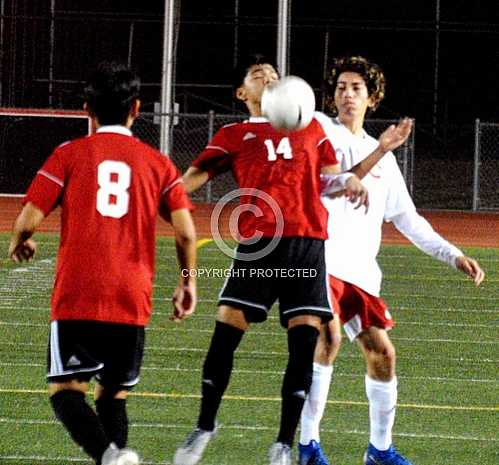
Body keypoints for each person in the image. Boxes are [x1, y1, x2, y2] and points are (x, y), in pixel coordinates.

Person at [172, 53, 412, 465]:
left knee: (304, 346)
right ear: (242, 92)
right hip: (258, 248)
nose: (266, 75)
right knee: (224, 338)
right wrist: (157, 199)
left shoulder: (312, 128)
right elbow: (187, 183)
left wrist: (368, 164)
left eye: (272, 73)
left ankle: (285, 443)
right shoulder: (232, 134)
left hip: (307, 246)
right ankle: (205, 425)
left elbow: (335, 181)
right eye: (255, 74)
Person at [297, 56, 486, 465]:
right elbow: (331, 186)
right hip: (321, 262)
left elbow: (408, 219)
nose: (347, 94)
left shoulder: (382, 157)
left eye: (357, 88)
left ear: (373, 98)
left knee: (383, 355)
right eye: (341, 87)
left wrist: (454, 255)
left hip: (361, 273)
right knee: (326, 340)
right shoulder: (319, 132)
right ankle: (308, 445)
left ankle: (378, 451)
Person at [8, 62, 197, 465]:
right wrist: (187, 283)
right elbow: (184, 232)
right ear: (137, 109)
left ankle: (110, 456)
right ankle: (114, 456)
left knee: (65, 390)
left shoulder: (70, 154)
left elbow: (28, 219)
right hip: (132, 294)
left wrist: (20, 241)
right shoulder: (157, 162)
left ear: (86, 109)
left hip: (79, 292)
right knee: (113, 392)